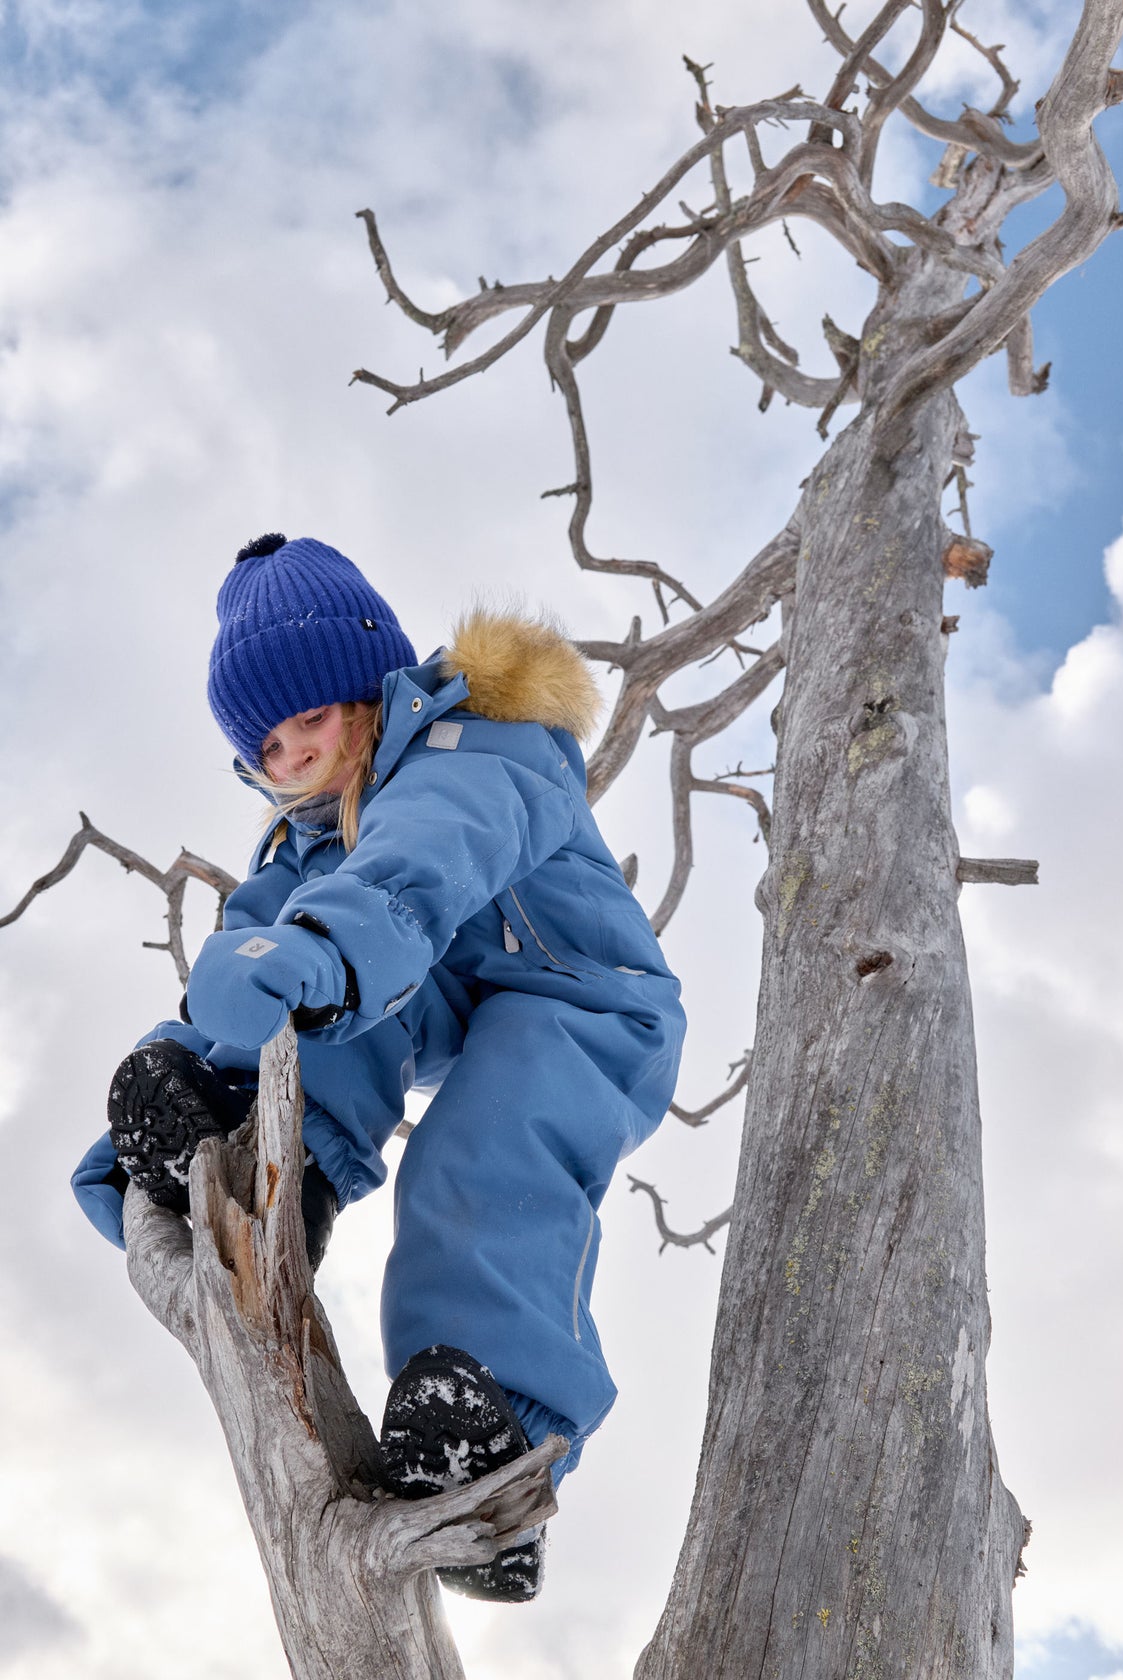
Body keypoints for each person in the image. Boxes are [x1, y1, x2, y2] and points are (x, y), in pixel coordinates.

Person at [71, 533, 686, 1603]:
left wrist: (309, 952)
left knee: (482, 1152)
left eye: (309, 719)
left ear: (369, 693)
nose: (293, 756)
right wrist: (171, 1088)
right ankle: (263, 1152)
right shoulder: (305, 844)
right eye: (266, 746)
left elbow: (415, 872)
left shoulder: (479, 745)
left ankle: (494, 1437)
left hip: (584, 1005)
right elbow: (260, 955)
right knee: (318, 1011)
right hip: (447, 985)